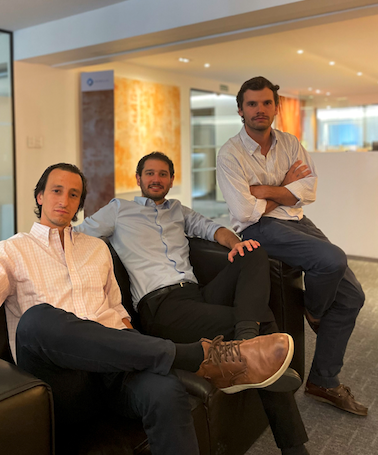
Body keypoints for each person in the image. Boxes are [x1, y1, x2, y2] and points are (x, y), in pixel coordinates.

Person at [0, 163, 295, 455]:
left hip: (116, 370)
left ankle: (193, 358)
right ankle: (197, 356)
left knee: (165, 391)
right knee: (37, 318)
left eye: (74, 194)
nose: (64, 200)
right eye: (56, 191)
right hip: (62, 381)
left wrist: (133, 345)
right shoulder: (12, 250)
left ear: (80, 204)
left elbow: (117, 310)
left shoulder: (97, 249)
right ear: (40, 196)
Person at [75, 152, 310, 455]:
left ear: (171, 180)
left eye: (163, 174)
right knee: (261, 319)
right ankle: (293, 446)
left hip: (195, 295)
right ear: (138, 178)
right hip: (161, 307)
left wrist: (236, 243)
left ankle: (246, 344)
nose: (156, 179)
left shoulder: (179, 210)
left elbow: (214, 230)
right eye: (150, 173)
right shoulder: (118, 209)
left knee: (254, 252)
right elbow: (77, 235)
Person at [217, 76, 367, 417]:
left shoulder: (289, 143)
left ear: (276, 107)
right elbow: (244, 212)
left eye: (266, 102)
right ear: (240, 110)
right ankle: (315, 310)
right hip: (259, 228)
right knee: (332, 259)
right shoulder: (230, 153)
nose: (259, 109)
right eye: (252, 104)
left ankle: (323, 381)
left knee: (353, 297)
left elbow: (309, 189)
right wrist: (287, 188)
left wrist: (266, 191)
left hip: (298, 221)